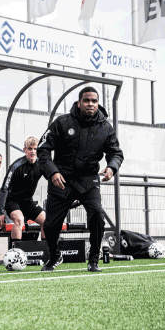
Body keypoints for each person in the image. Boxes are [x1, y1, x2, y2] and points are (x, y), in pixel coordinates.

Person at [37, 86, 124, 272]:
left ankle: (93, 259)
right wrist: (52, 172)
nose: (90, 104)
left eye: (94, 101)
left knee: (97, 216)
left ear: (98, 103)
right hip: (61, 179)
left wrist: (111, 167)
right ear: (79, 103)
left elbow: (116, 153)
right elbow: (42, 150)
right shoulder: (62, 122)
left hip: (88, 180)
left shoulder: (106, 128)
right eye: (86, 100)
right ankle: (54, 256)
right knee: (50, 225)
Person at [0, 136, 52, 251]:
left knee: (46, 221)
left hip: (28, 202)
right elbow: (4, 189)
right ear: (24, 150)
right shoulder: (16, 166)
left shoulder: (41, 164)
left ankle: (46, 254)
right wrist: (0, 212)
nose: (33, 151)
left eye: (35, 149)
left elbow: (53, 179)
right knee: (19, 220)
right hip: (12, 201)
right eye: (30, 148)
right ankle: (15, 254)